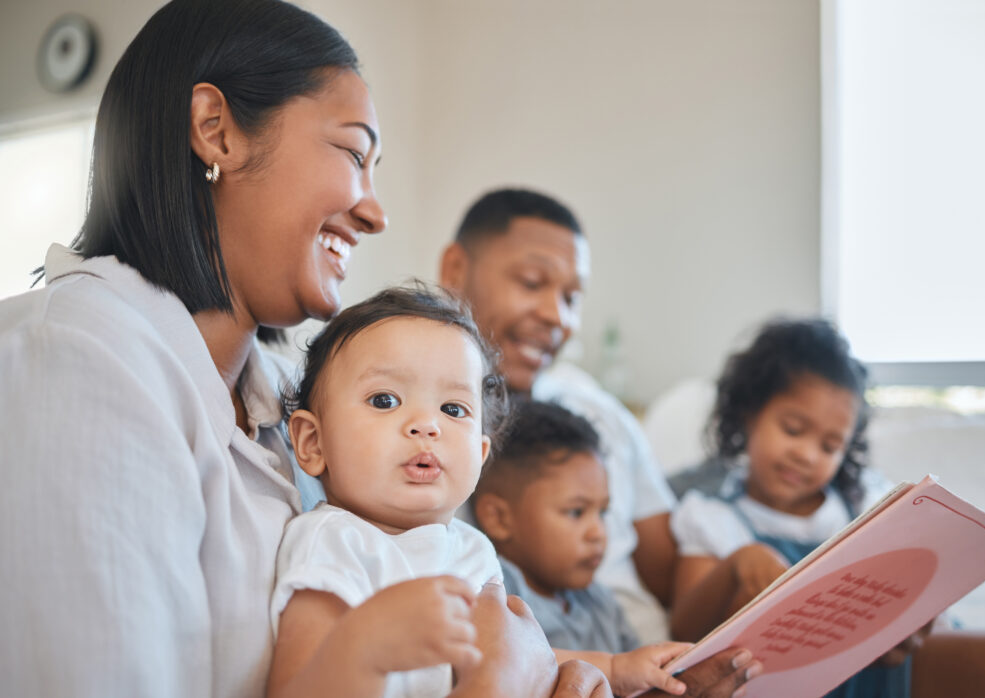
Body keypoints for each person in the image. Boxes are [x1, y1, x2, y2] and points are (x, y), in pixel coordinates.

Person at [0, 2, 612, 696]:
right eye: (355, 153)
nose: (376, 211)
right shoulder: (72, 363)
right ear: (216, 131)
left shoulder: (283, 393)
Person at [440, 186, 763, 693]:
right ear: (455, 269)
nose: (558, 317)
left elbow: (668, 578)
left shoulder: (599, 415)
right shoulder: (419, 421)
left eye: (572, 298)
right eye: (531, 282)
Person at [668, 317, 985, 697]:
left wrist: (918, 622)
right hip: (775, 681)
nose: (806, 455)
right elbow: (683, 631)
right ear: (749, 412)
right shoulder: (711, 516)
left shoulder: (867, 502)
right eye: (792, 429)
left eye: (829, 446)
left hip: (887, 671)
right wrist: (738, 564)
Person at [268, 285, 512, 697]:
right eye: (385, 400)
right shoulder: (333, 543)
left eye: (453, 409)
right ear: (312, 442)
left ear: (482, 453)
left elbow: (507, 659)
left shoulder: (473, 550)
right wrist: (365, 649)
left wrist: (607, 666)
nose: (426, 425)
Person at [474, 398, 691, 697]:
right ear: (499, 518)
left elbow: (640, 684)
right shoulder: (493, 594)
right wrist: (614, 668)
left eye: (602, 513)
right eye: (576, 512)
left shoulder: (602, 605)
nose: (598, 533)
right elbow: (506, 667)